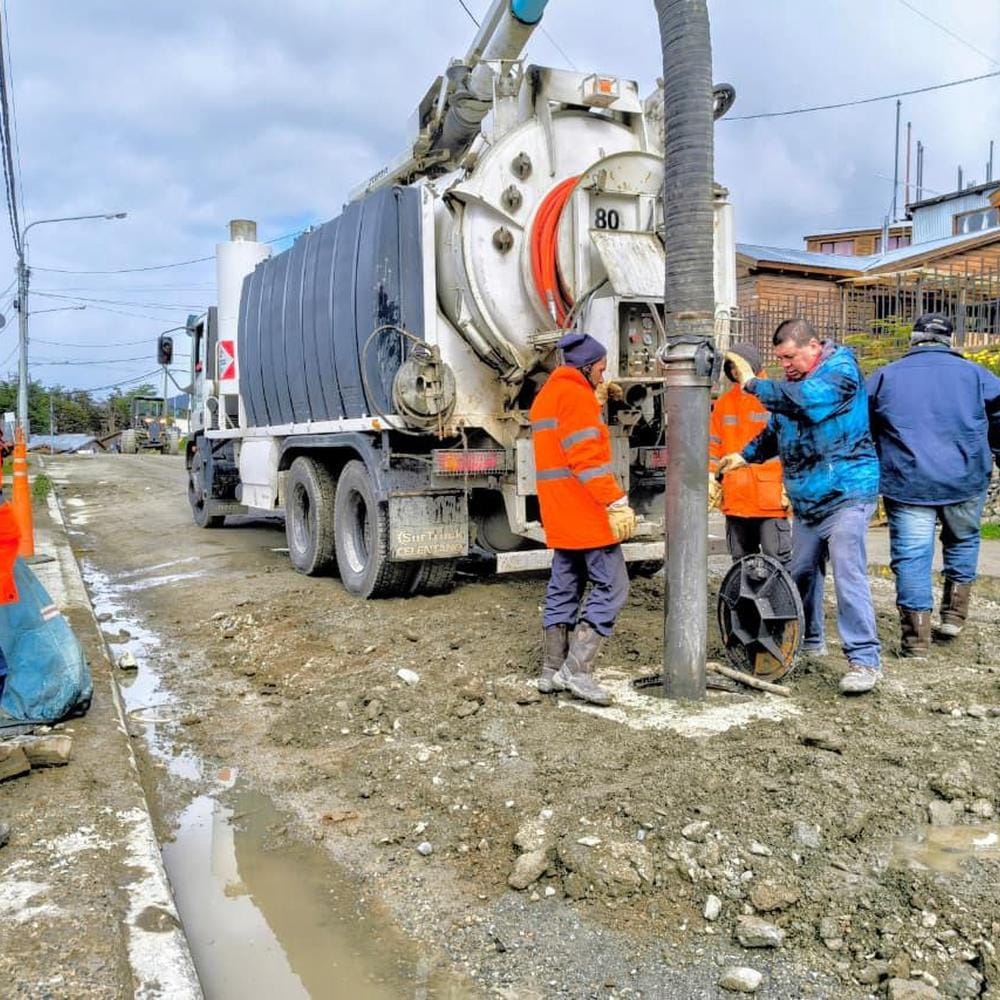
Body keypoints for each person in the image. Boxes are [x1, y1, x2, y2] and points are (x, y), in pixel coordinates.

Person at [721, 318, 882, 695]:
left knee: (848, 572)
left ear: (813, 346)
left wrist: (751, 384)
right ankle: (809, 641)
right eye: (780, 359)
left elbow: (807, 404)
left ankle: (864, 660)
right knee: (802, 573)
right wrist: (743, 456)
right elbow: (777, 431)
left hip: (846, 494)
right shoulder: (794, 384)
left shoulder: (840, 373)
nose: (786, 365)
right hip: (809, 503)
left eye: (790, 356)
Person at [867, 313, 1000, 656]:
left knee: (912, 558)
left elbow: (864, 426)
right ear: (949, 340)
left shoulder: (885, 376)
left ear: (913, 340)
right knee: (964, 539)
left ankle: (916, 642)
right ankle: (954, 615)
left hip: (908, 481)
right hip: (966, 476)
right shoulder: (977, 375)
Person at [530, 331, 636, 706]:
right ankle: (577, 670)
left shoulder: (548, 397)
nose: (603, 378)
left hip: (559, 514)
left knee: (564, 586)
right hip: (586, 513)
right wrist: (616, 502)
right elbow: (586, 459)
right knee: (613, 586)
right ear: (587, 367)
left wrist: (595, 401)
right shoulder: (575, 399)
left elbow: (563, 444)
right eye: (601, 370)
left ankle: (550, 670)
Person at [709, 342, 791, 563]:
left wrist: (790, 485)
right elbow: (713, 446)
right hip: (736, 498)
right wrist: (711, 476)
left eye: (739, 366)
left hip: (771, 500)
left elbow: (792, 445)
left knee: (777, 563)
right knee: (743, 563)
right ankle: (746, 600)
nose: (735, 372)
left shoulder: (774, 396)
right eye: (731, 367)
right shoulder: (724, 403)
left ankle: (779, 599)